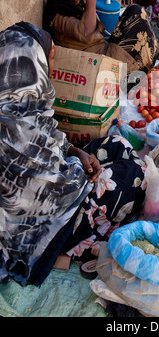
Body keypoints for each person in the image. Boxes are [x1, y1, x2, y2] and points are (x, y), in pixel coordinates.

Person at [0, 22, 147, 286]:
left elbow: (49, 137)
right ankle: (76, 244)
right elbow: (51, 191)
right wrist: (80, 170)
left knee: (116, 144)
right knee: (132, 175)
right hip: (42, 227)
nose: (50, 67)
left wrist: (75, 151)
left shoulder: (21, 107)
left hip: (57, 185)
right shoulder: (17, 133)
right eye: (47, 59)